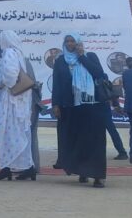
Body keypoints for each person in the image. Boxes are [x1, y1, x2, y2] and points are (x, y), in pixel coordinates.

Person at [52, 33, 108, 188]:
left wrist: (82, 56)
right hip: (71, 107)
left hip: (93, 106)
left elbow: (99, 73)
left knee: (95, 141)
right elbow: (57, 83)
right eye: (67, 41)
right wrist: (56, 104)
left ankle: (98, 176)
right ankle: (82, 171)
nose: (70, 44)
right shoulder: (60, 61)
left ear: (79, 43)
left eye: (73, 41)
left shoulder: (90, 56)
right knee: (77, 141)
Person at [0, 31, 34, 181]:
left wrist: (2, 82)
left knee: (6, 133)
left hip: (11, 100)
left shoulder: (9, 52)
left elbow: (10, 77)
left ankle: (6, 167)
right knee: (19, 133)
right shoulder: (18, 54)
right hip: (20, 101)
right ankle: (28, 168)